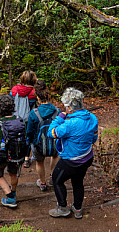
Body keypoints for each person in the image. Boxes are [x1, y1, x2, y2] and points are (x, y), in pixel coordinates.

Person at [47, 87, 98, 219]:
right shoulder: (92, 118)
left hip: (71, 160)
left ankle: (63, 208)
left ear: (69, 107)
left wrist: (60, 117)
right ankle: (78, 208)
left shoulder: (69, 124)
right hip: (86, 157)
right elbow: (94, 137)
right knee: (78, 182)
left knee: (56, 180)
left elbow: (51, 133)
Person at [0, 95, 20, 208]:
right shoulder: (19, 120)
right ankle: (14, 191)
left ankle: (10, 198)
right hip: (16, 153)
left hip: (1, 155)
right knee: (13, 173)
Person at [26, 80, 60, 191]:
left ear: (37, 98)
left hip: (38, 144)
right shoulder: (57, 111)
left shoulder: (34, 113)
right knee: (54, 157)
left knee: (39, 162)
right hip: (54, 142)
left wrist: (30, 141)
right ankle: (52, 177)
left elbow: (30, 131)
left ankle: (43, 183)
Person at [10, 70, 37, 168]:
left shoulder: (14, 90)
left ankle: (14, 155)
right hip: (28, 118)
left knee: (15, 135)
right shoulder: (33, 93)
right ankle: (26, 159)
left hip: (15, 117)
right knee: (27, 137)